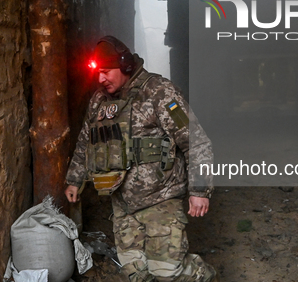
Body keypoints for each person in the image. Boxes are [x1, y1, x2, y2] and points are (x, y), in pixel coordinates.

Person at [65, 36, 218, 282]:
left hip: (161, 198)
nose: (101, 79)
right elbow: (86, 141)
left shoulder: (159, 92)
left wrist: (199, 189)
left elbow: (195, 140)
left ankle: (203, 274)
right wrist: (75, 179)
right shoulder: (99, 101)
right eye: (98, 73)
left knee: (166, 273)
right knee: (136, 273)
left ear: (125, 66)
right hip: (122, 203)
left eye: (106, 72)